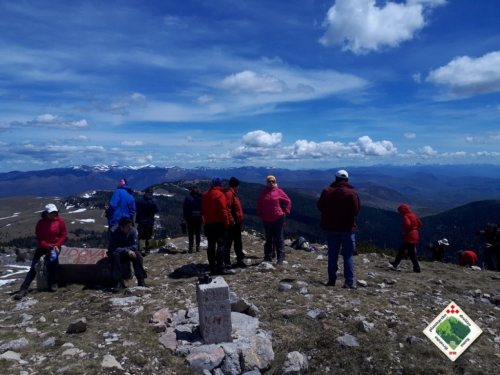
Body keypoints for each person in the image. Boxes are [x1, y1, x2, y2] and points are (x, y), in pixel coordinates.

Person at [317, 169, 361, 289]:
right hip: (347, 228)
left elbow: (320, 207)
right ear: (347, 179)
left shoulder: (327, 191)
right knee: (348, 255)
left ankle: (332, 280)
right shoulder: (352, 193)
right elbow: (356, 211)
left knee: (333, 254)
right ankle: (349, 282)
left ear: (335, 178)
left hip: (331, 227)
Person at [14, 204, 67, 299]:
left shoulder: (60, 221)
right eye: (51, 212)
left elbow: (63, 235)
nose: (53, 214)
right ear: (46, 213)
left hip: (55, 246)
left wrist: (57, 245)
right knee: (34, 266)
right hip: (43, 246)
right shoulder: (41, 223)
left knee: (53, 262)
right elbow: (39, 237)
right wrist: (47, 246)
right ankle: (24, 288)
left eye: (55, 212)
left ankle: (53, 283)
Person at [256, 175, 291, 265]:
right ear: (266, 182)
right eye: (269, 181)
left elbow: (288, 201)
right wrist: (259, 213)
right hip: (267, 219)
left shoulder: (279, 192)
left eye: (273, 181)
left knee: (279, 239)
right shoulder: (263, 193)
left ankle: (280, 258)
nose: (271, 183)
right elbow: (259, 203)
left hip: (278, 218)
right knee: (268, 239)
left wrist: (286, 212)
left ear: (275, 182)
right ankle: (268, 256)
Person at [107, 217, 148, 292]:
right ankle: (118, 281)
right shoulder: (113, 232)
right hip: (119, 253)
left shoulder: (133, 231)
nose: (130, 228)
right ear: (121, 227)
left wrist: (128, 251)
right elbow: (113, 247)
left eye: (130, 225)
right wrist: (127, 251)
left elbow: (135, 246)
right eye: (127, 226)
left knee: (137, 255)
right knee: (115, 255)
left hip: (130, 251)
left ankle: (141, 279)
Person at [202, 177, 233, 275]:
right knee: (221, 246)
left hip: (208, 224)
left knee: (211, 246)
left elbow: (203, 209)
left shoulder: (205, 194)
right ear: (220, 184)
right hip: (219, 224)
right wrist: (227, 223)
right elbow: (223, 211)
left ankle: (212, 267)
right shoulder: (220, 195)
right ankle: (221, 267)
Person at [390, 204, 422, 273]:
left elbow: (407, 224)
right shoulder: (414, 215)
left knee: (407, 251)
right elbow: (420, 224)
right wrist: (414, 229)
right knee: (405, 250)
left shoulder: (406, 216)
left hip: (409, 235)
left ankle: (417, 268)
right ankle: (396, 263)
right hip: (415, 234)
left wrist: (405, 231)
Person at [224, 177, 246, 268]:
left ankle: (239, 260)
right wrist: (231, 220)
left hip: (236, 222)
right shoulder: (229, 194)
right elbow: (227, 208)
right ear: (236, 186)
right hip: (232, 223)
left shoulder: (233, 193)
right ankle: (227, 262)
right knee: (229, 242)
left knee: (237, 242)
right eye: (238, 186)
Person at [135, 188, 161, 256]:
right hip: (150, 221)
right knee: (149, 237)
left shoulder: (139, 199)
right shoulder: (154, 200)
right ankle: (147, 251)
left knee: (141, 236)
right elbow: (158, 209)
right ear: (152, 193)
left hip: (141, 221)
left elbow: (135, 208)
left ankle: (140, 250)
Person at [183, 185, 203, 253]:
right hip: (199, 216)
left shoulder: (188, 197)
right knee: (198, 232)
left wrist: (185, 217)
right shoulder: (201, 197)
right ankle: (198, 247)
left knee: (191, 233)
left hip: (190, 216)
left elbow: (185, 208)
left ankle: (191, 248)